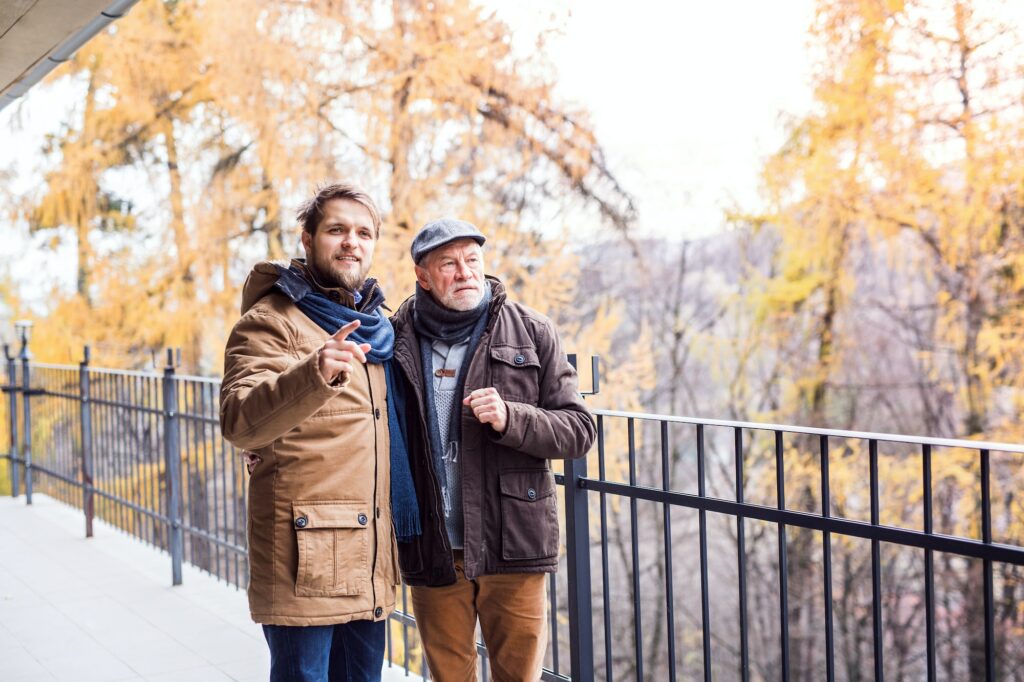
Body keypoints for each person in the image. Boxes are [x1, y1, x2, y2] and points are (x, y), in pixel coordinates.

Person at [220, 183, 420, 682]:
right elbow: (240, 420)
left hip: (369, 551)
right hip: (305, 557)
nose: (351, 241)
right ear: (308, 240)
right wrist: (312, 374)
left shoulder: (377, 326)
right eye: (337, 230)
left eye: (363, 233)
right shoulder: (270, 321)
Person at [389, 218, 596, 681]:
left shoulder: (532, 331)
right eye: (449, 264)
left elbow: (579, 429)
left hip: (513, 544)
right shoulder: (396, 337)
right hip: (433, 547)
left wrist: (511, 418)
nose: (464, 273)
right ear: (423, 275)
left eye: (472, 261)